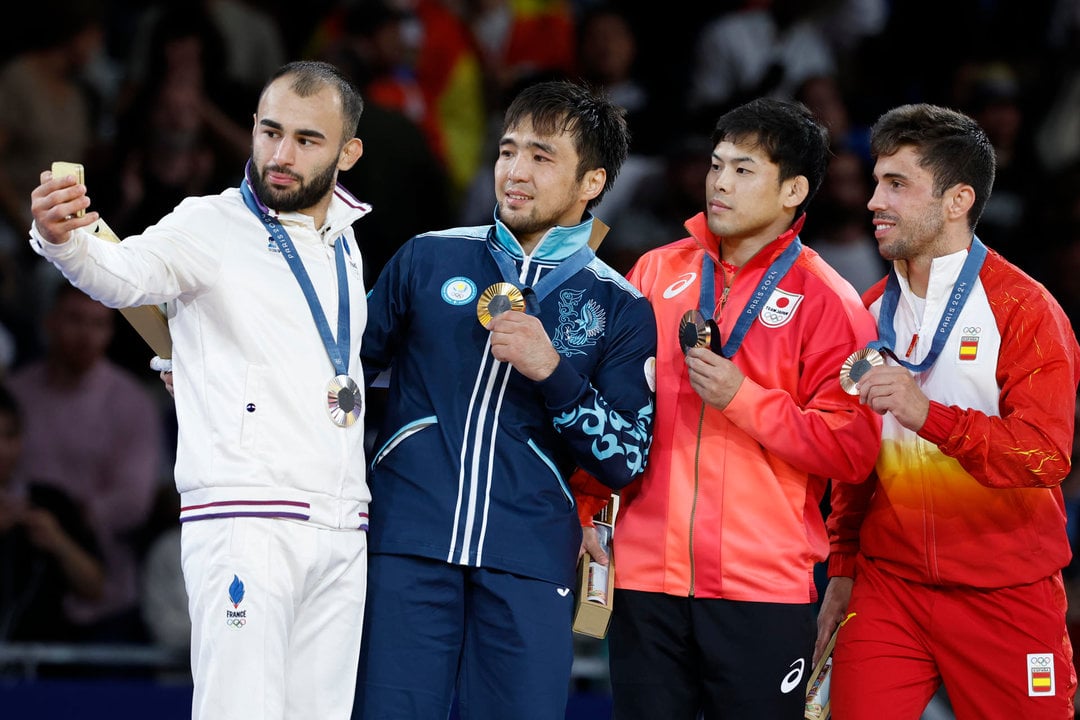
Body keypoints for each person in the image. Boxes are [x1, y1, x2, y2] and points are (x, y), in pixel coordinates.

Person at [29, 60, 372, 720]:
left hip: (339, 525)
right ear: (250, 128)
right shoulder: (209, 224)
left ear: (347, 151)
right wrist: (59, 240)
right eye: (270, 132)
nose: (280, 154)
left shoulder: (346, 244)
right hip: (246, 518)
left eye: (307, 140)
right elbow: (123, 272)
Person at [354, 79, 657, 720]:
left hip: (529, 558)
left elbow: (626, 457)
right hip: (408, 542)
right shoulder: (426, 259)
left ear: (592, 182)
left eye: (542, 157)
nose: (515, 172)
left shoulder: (620, 306)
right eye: (507, 151)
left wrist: (553, 370)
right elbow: (339, 380)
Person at [574, 97, 883, 718]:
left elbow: (852, 450)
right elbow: (611, 404)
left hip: (760, 590)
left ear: (794, 190)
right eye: (717, 165)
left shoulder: (829, 302)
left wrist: (743, 399)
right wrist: (590, 508)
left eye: (744, 170)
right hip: (644, 577)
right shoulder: (655, 272)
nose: (719, 182)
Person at [816, 103, 1080, 719]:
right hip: (889, 587)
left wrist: (928, 415)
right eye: (877, 181)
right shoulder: (869, 310)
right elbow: (857, 462)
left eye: (897, 184)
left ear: (958, 200)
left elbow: (1046, 454)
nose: (873, 200)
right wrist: (844, 569)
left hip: (1005, 591)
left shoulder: (1024, 310)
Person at [6, 282, 162, 645]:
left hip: (105, 593)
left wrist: (63, 520)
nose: (86, 335)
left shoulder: (132, 401)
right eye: (75, 320)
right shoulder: (16, 393)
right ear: (49, 322)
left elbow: (134, 502)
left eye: (99, 325)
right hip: (20, 581)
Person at [0, 383, 105, 643]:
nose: (2, 449)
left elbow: (95, 588)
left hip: (43, 668)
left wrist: (58, 541)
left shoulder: (50, 502)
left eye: (10, 436)